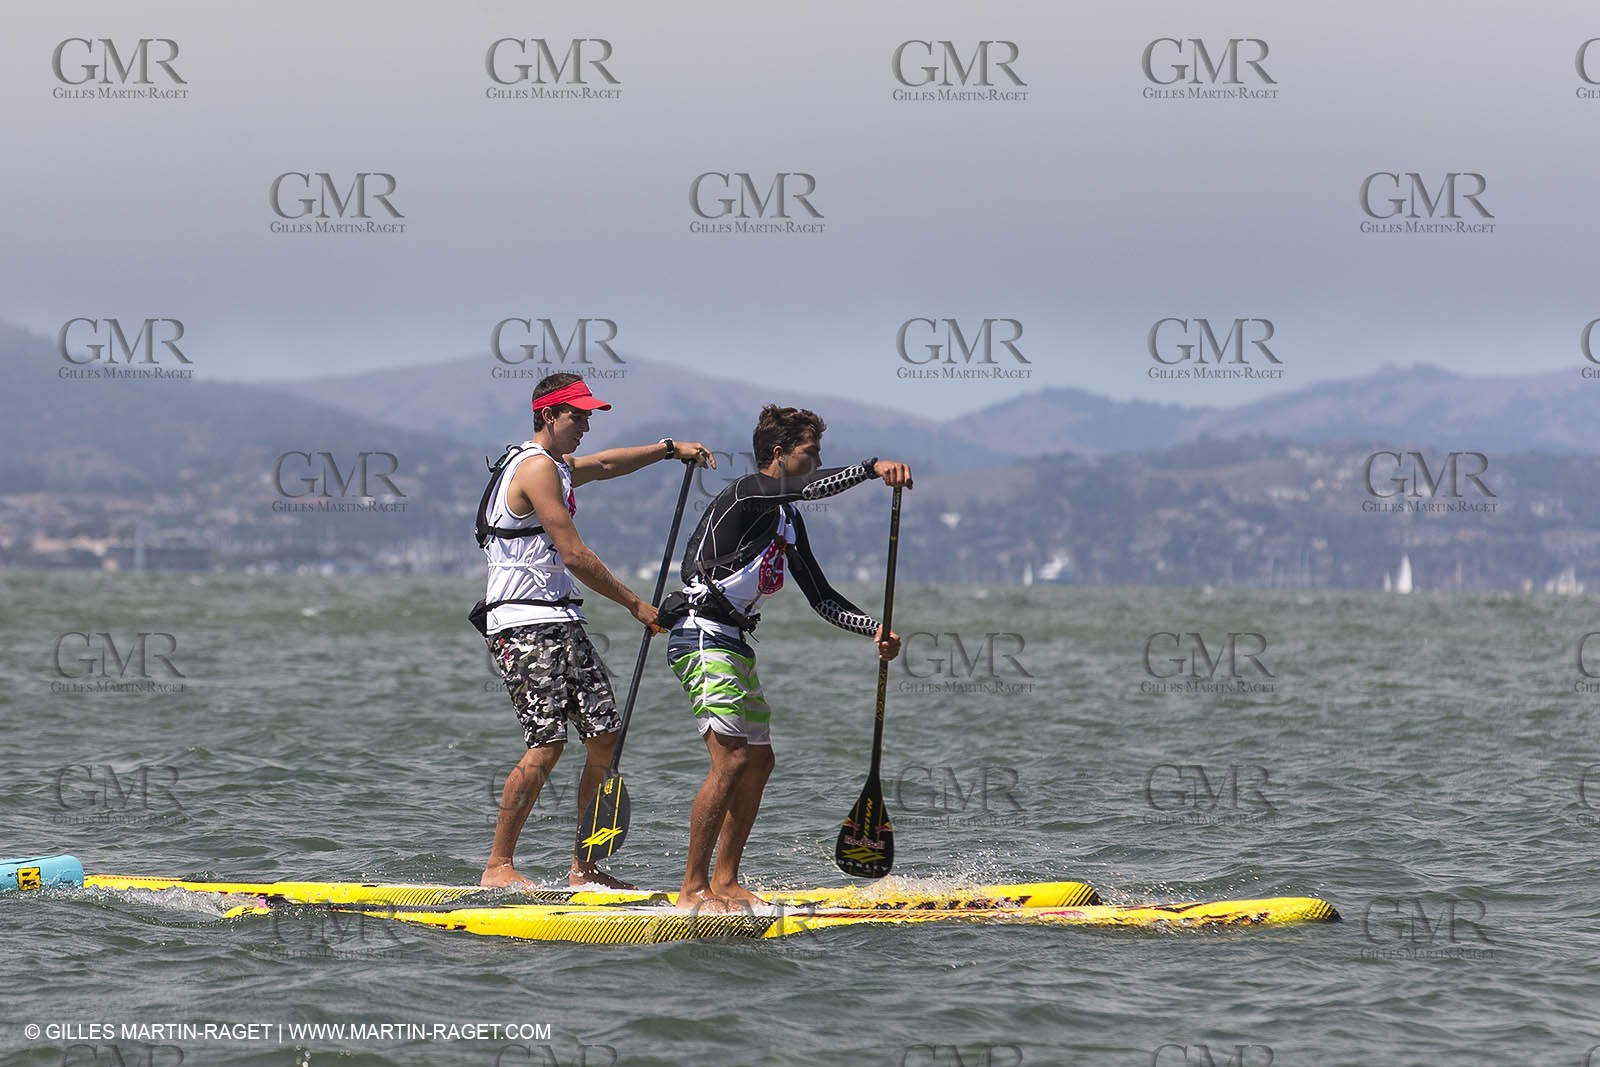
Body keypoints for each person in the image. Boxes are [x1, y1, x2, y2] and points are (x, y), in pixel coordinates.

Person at [661, 404, 912, 909]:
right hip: (701, 634)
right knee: (731, 759)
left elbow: (821, 596)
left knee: (759, 760)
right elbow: (813, 487)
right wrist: (870, 468)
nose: (816, 463)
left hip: (734, 642)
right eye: (810, 453)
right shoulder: (747, 492)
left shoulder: (788, 520)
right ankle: (692, 888)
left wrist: (875, 629)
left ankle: (726, 881)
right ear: (778, 454)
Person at [476, 372, 713, 889]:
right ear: (548, 415)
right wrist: (637, 605)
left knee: (605, 738)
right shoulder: (535, 468)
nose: (586, 425)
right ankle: (498, 865)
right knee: (548, 744)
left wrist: (668, 449)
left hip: (561, 618)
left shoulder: (556, 466)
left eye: (588, 416)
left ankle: (583, 869)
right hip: (523, 623)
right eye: (577, 416)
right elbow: (574, 554)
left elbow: (605, 465)